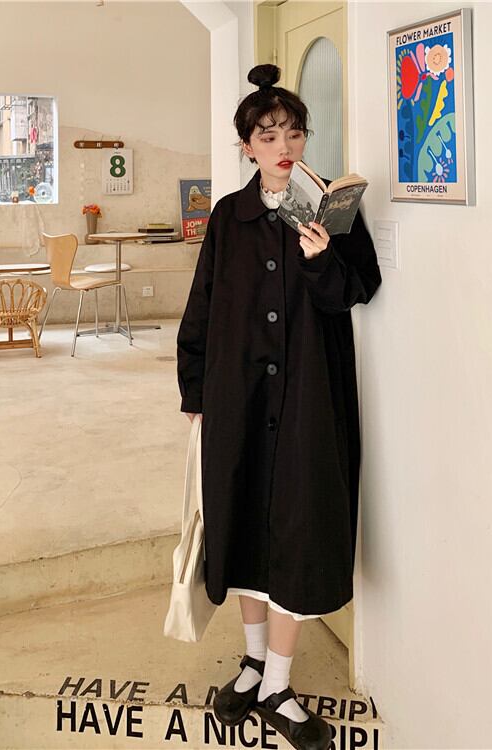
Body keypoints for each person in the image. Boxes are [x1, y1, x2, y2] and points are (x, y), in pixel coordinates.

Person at [176, 63, 382, 750]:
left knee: (297, 528)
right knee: (239, 522)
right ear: (247, 147)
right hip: (237, 398)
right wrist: (195, 391)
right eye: (268, 135)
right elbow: (202, 306)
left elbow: (357, 290)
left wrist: (321, 259)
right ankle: (253, 661)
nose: (283, 145)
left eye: (293, 132)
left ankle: (278, 685)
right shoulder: (228, 218)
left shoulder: (330, 208)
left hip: (307, 400)